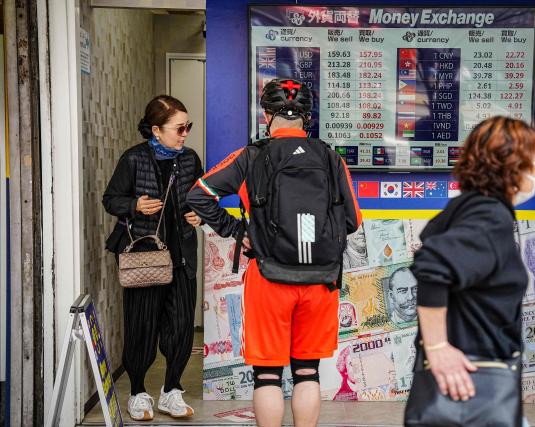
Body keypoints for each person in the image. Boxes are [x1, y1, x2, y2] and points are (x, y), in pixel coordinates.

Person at [187, 78, 361, 427]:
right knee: (307, 373)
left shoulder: (251, 156)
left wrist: (238, 231)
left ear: (266, 114)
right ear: (307, 117)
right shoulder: (330, 157)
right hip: (321, 280)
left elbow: (198, 195)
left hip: (269, 276)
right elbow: (353, 221)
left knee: (267, 375)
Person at [409, 116, 535, 424]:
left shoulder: (469, 207)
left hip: (478, 382)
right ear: (512, 168)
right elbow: (433, 265)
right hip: (475, 385)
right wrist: (437, 347)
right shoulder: (489, 217)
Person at [102, 95, 203, 421]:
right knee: (141, 327)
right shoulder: (133, 159)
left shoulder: (189, 159)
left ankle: (171, 391)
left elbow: (200, 198)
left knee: (181, 327)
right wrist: (134, 206)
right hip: (144, 258)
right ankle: (137, 392)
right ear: (156, 130)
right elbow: (111, 198)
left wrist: (198, 216)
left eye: (187, 127)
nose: (185, 133)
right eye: (179, 128)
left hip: (181, 257)